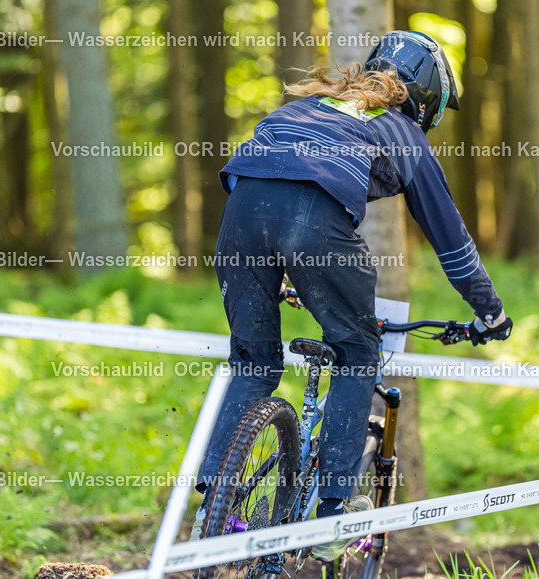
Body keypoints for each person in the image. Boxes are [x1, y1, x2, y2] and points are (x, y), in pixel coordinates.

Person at [192, 30, 512, 560]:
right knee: (357, 352)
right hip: (313, 227)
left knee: (253, 363)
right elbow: (449, 239)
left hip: (239, 218)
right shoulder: (404, 133)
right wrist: (489, 310)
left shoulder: (313, 105)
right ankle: (330, 519)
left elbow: (266, 187)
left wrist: (285, 261)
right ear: (427, 96)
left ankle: (213, 505)